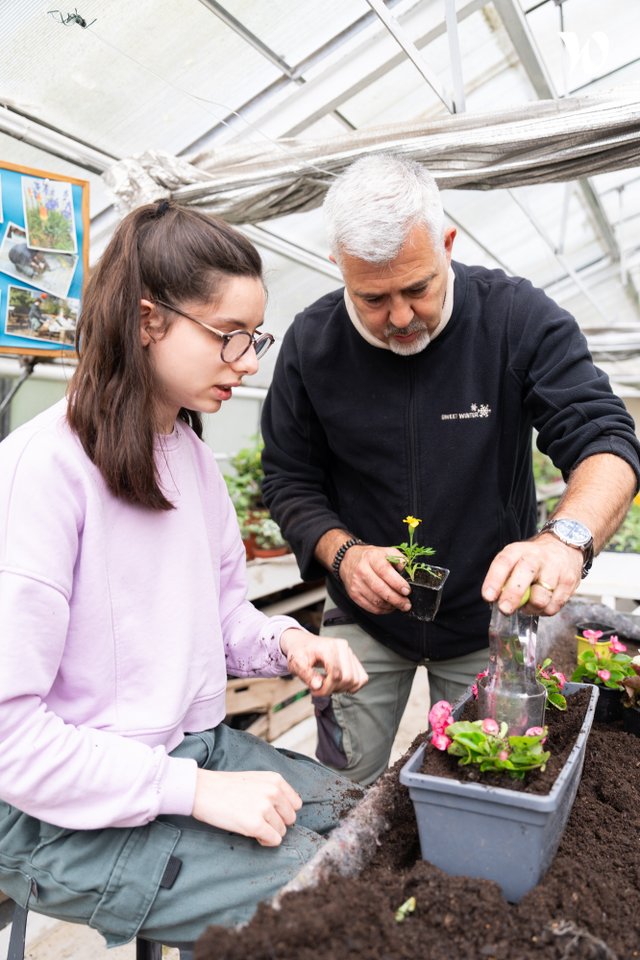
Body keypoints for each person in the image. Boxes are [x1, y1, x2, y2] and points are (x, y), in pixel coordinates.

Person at [0, 201, 368, 950]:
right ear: (147, 321)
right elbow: (11, 742)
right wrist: (195, 793)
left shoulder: (189, 457)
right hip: (53, 809)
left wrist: (288, 643)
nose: (249, 362)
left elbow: (223, 615)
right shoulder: (45, 471)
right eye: (229, 336)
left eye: (254, 338)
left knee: (372, 826)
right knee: (334, 907)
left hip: (184, 751)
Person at [260, 152, 640, 786]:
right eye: (373, 298)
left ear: (447, 243)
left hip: (490, 617)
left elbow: (606, 440)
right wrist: (345, 553)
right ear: (340, 269)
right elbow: (288, 479)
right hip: (367, 617)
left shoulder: (515, 319)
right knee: (341, 789)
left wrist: (566, 539)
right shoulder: (312, 343)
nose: (401, 317)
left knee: (494, 778)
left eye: (418, 287)